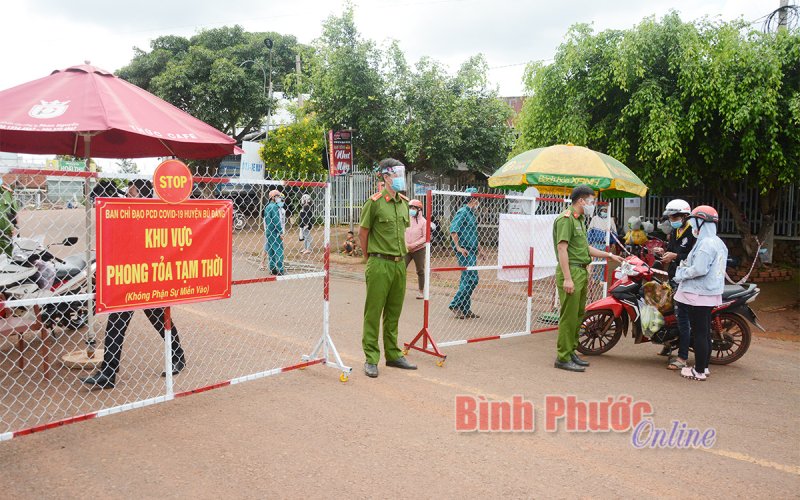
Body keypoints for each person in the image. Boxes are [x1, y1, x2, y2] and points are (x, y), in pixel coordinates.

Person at [81, 180, 186, 389]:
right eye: (127, 193)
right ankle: (108, 371)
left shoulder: (155, 215)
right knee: (116, 322)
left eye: (132, 193)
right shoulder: (127, 214)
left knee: (160, 321)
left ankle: (178, 355)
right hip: (129, 279)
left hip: (149, 280)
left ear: (144, 195)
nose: (128, 196)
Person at [553, 185, 623, 372]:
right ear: (581, 201)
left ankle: (571, 351)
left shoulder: (581, 220)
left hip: (581, 271)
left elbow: (586, 249)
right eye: (592, 201)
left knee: (578, 315)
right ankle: (563, 357)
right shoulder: (565, 219)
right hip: (571, 272)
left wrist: (609, 256)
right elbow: (562, 249)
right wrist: (567, 278)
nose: (594, 205)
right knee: (568, 317)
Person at [358, 158, 417, 378]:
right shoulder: (374, 203)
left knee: (394, 312)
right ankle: (371, 358)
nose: (400, 178)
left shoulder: (403, 203)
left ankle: (393, 355)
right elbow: (363, 233)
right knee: (373, 312)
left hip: (399, 264)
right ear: (385, 176)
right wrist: (369, 257)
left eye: (402, 174)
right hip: (379, 262)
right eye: (396, 174)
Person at [673, 205, 728, 382]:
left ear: (702, 221)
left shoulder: (706, 244)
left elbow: (699, 269)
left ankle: (698, 371)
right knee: (704, 332)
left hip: (699, 294)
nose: (692, 225)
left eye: (694, 221)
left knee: (699, 333)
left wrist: (681, 273)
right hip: (709, 293)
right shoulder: (718, 242)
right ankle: (703, 367)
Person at [654, 199, 697, 367]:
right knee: (665, 310)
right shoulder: (676, 232)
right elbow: (674, 251)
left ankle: (682, 358)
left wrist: (675, 257)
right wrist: (664, 251)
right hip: (673, 276)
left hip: (686, 281)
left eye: (675, 217)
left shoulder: (693, 233)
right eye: (670, 217)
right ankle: (669, 344)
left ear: (685, 216)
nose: (672, 220)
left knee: (682, 319)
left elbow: (694, 258)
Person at [449, 188, 481, 319]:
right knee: (472, 279)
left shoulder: (471, 213)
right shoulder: (462, 212)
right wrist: (458, 248)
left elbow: (472, 232)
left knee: (466, 279)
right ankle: (455, 304)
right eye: (477, 199)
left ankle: (465, 308)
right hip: (465, 251)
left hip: (472, 250)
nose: (478, 202)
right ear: (472, 199)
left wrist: (480, 249)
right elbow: (453, 230)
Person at [586, 206, 617, 282]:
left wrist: (613, 242)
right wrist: (589, 242)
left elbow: (614, 232)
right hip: (596, 243)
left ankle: (601, 279)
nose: (604, 211)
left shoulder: (610, 220)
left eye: (606, 210)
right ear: (600, 210)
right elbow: (590, 231)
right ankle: (595, 278)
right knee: (595, 261)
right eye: (603, 210)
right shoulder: (595, 219)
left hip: (605, 244)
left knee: (604, 262)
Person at [404, 199, 427, 300]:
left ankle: (421, 291)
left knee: (420, 270)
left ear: (419, 209)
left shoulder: (424, 222)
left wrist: (413, 245)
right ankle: (399, 290)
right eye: (410, 208)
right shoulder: (406, 219)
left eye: (413, 208)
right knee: (400, 269)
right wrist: (406, 244)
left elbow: (425, 237)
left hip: (419, 249)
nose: (411, 210)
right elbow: (402, 232)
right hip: (406, 249)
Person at [261, 189, 285, 275]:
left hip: (268, 231)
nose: (279, 198)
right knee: (278, 250)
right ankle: (280, 269)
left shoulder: (267, 206)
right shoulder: (274, 207)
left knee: (271, 250)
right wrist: (281, 232)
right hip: (275, 232)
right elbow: (276, 220)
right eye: (278, 196)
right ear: (273, 197)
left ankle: (272, 268)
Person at [0, 179, 18, 257]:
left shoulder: (7, 193)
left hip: (6, 232)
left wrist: (15, 227)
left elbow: (14, 213)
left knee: (11, 255)